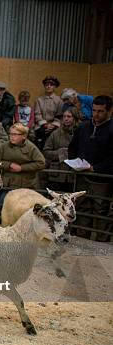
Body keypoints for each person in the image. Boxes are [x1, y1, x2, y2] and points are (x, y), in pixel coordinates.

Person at [68, 95, 113, 241]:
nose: (96, 114)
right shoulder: (84, 127)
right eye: (94, 110)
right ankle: (81, 240)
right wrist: (75, 162)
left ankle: (102, 243)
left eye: (100, 111)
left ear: (109, 111)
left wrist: (97, 168)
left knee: (101, 211)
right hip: (82, 175)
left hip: (102, 179)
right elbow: (72, 147)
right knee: (82, 208)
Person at [0, 123, 45, 192]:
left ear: (24, 136)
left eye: (15, 134)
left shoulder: (31, 147)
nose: (11, 137)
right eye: (10, 134)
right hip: (8, 184)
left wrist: (22, 168)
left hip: (26, 184)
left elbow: (41, 163)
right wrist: (9, 165)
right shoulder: (3, 146)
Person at [43, 107, 79, 191]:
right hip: (57, 174)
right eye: (64, 116)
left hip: (72, 175)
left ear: (75, 118)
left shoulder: (80, 133)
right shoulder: (55, 134)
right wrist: (60, 153)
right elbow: (46, 152)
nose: (66, 119)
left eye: (69, 117)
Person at [34, 76, 63, 151]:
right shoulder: (39, 100)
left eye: (51, 85)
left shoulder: (59, 100)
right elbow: (37, 114)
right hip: (41, 125)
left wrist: (53, 125)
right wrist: (45, 124)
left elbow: (59, 115)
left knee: (55, 135)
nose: (48, 86)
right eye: (47, 84)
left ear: (54, 86)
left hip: (54, 126)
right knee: (40, 135)